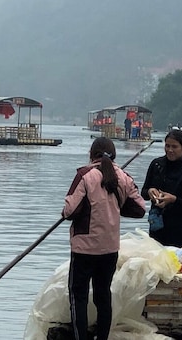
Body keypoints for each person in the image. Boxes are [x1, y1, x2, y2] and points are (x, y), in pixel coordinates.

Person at [62, 137, 145, 340]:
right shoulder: (123, 177)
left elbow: (69, 210)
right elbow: (140, 208)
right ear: (113, 155)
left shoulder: (85, 175)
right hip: (109, 249)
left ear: (92, 155)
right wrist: (117, 206)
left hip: (84, 249)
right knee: (103, 295)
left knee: (78, 297)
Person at [141, 128, 182, 247]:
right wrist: (150, 192)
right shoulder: (156, 165)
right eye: (167, 146)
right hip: (157, 226)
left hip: (179, 229)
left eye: (174, 147)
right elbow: (144, 192)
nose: (170, 150)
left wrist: (173, 199)